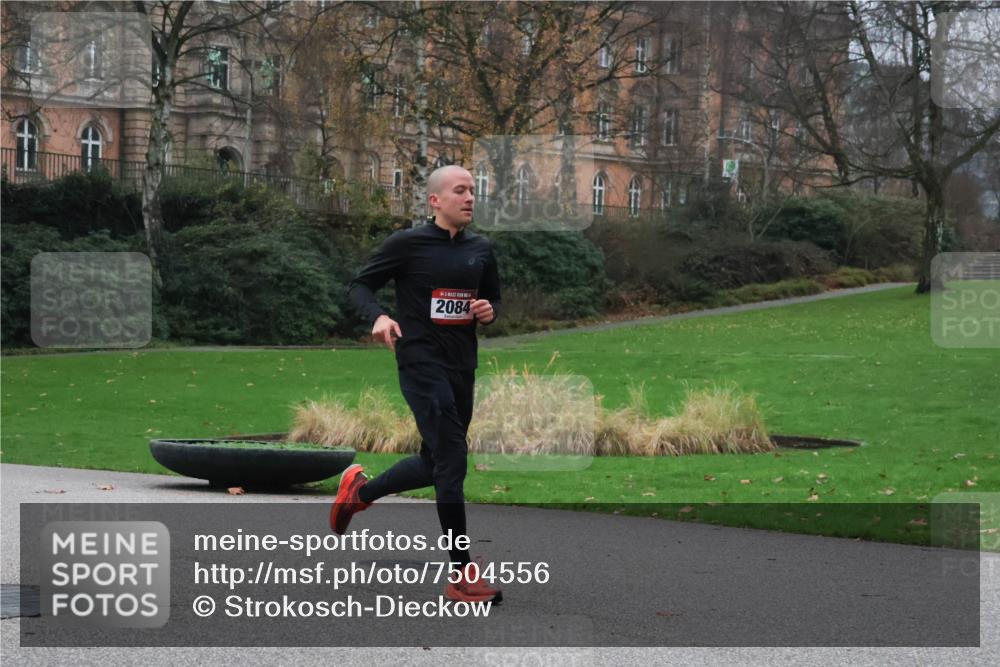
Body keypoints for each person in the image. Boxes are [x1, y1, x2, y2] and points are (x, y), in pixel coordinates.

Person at [331, 165, 503, 604]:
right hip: (419, 362)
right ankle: (462, 573)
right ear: (435, 201)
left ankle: (359, 492)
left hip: (461, 366)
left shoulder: (481, 250)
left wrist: (488, 311)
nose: (469, 198)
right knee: (453, 459)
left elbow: (492, 300)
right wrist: (380, 316)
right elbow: (359, 287)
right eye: (460, 191)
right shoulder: (407, 244)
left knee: (435, 462)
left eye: (472, 191)